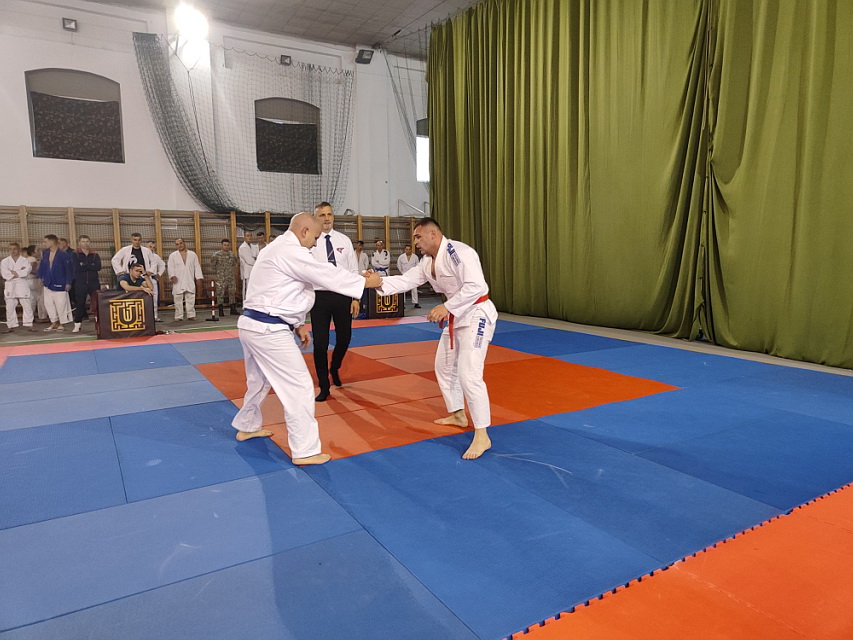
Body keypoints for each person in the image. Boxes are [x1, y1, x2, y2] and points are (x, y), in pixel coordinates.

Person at [232, 212, 382, 465]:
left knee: (259, 380)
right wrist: (366, 282)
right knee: (299, 386)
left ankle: (247, 425)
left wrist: (297, 324)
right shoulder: (291, 251)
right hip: (268, 330)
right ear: (304, 231)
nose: (315, 243)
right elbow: (325, 274)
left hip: (254, 325)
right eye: (314, 237)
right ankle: (305, 450)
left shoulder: (278, 249)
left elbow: (281, 291)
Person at [376, 217, 498, 460]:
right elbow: (405, 281)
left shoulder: (459, 252)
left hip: (477, 314)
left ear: (433, 234)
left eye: (418, 237)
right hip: (458, 315)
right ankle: (458, 413)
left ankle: (482, 434)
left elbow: (476, 286)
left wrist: (447, 307)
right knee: (443, 366)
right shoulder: (426, 262)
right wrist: (377, 282)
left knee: (469, 374)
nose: (415, 242)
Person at [308, 201, 361, 401]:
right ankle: (324, 385)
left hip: (343, 295)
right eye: (322, 215)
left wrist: (355, 297)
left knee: (344, 338)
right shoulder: (310, 242)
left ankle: (335, 367)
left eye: (329, 214)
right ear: (316, 218)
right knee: (320, 344)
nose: (326, 218)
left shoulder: (344, 240)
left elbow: (353, 271)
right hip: (319, 297)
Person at [38, 234, 74, 332]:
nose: (44, 244)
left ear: (52, 242)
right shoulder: (46, 253)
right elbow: (42, 266)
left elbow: (69, 269)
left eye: (45, 242)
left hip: (60, 282)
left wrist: (68, 282)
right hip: (48, 282)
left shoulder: (63, 255)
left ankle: (62, 322)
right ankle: (54, 322)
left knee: (61, 304)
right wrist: (40, 277)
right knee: (48, 303)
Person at [167, 237, 204, 322]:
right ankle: (178, 316)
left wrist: (198, 278)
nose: (179, 245)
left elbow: (197, 266)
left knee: (190, 298)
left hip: (189, 278)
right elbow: (170, 267)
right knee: (177, 299)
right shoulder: (173, 255)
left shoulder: (192, 254)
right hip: (178, 279)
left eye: (181, 243)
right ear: (175, 246)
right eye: (177, 244)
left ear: (184, 243)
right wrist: (172, 276)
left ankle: (191, 315)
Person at [2, 242, 35, 333]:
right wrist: (19, 272)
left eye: (15, 249)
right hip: (10, 284)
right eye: (10, 249)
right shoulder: (5, 261)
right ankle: (10, 325)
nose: (13, 251)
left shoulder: (25, 261)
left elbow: (26, 271)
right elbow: (4, 274)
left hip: (21, 283)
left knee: (27, 305)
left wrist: (14, 272)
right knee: (10, 306)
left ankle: (29, 324)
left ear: (19, 250)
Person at [71, 235, 102, 333]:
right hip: (81, 282)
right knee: (80, 304)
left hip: (94, 282)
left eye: (87, 241)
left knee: (97, 303)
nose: (85, 243)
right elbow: (77, 268)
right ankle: (77, 324)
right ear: (79, 243)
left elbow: (98, 267)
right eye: (83, 241)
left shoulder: (95, 254)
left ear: (90, 242)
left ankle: (99, 323)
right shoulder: (75, 254)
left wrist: (84, 265)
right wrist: (90, 265)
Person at [210, 239, 239, 316]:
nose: (226, 247)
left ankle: (233, 309)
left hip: (230, 277)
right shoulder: (216, 255)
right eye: (224, 245)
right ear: (221, 245)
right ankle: (220, 310)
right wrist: (219, 272)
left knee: (232, 292)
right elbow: (213, 266)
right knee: (220, 293)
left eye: (227, 245)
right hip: (221, 277)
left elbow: (234, 263)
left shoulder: (232, 254)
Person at [24, 245, 47, 323]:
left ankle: (29, 317)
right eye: (37, 250)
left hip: (27, 281)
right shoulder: (33, 259)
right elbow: (32, 270)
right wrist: (40, 274)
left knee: (31, 300)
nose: (39, 252)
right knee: (41, 298)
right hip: (34, 280)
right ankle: (42, 316)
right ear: (33, 252)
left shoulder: (25, 259)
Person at [144, 241, 166, 322]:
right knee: (143, 298)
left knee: (154, 299)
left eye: (153, 247)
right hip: (142, 279)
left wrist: (158, 274)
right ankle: (144, 317)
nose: (152, 249)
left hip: (152, 279)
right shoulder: (141, 255)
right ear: (145, 246)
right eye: (150, 247)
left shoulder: (156, 257)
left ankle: (155, 316)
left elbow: (162, 265)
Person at [396, 243, 421, 308]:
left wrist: (415, 273)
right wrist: (402, 272)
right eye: (407, 249)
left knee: (414, 289)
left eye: (409, 249)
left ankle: (416, 303)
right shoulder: (401, 257)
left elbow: (418, 265)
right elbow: (398, 265)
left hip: (413, 275)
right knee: (403, 289)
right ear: (405, 250)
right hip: (404, 274)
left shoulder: (415, 257)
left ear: (411, 250)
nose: (408, 250)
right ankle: (402, 303)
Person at [238, 231, 259, 299]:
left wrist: (255, 258)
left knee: (254, 289)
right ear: (244, 237)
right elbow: (249, 260)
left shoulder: (254, 247)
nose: (249, 237)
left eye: (250, 236)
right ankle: (245, 303)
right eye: (247, 236)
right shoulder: (243, 247)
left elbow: (257, 256)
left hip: (254, 271)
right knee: (247, 289)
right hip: (247, 271)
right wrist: (255, 258)